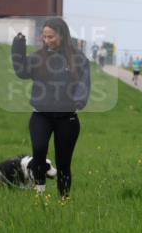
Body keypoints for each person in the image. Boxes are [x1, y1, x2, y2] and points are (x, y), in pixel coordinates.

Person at [11, 18, 90, 197]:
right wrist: (18, 47)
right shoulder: (38, 57)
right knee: (39, 150)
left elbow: (84, 83)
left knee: (64, 162)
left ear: (62, 36)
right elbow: (22, 71)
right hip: (41, 115)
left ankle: (64, 199)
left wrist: (78, 100)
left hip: (67, 118)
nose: (47, 40)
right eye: (44, 37)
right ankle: (40, 192)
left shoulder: (78, 59)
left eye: (51, 37)